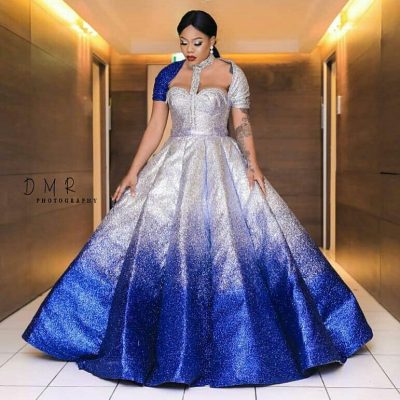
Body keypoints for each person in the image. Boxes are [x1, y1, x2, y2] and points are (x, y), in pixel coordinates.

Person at [22, 9, 373, 388]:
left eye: (197, 42)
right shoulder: (167, 76)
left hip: (222, 161)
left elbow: (241, 123)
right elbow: (156, 126)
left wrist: (253, 164)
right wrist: (134, 170)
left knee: (237, 244)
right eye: (184, 42)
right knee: (152, 242)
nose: (190, 49)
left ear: (213, 40)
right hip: (175, 162)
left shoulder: (232, 73)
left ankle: (266, 336)